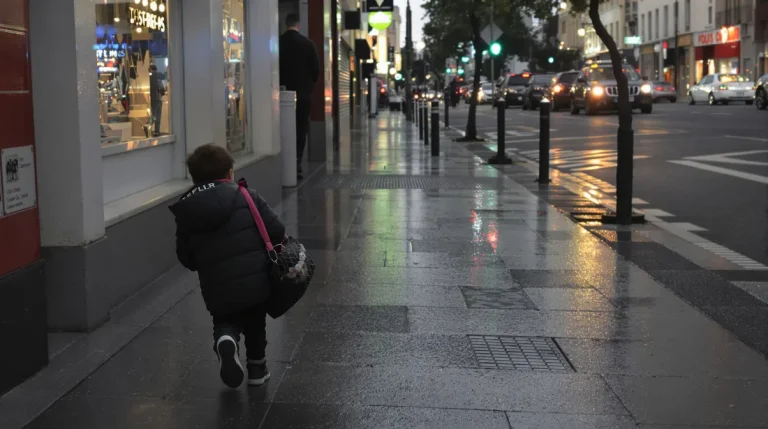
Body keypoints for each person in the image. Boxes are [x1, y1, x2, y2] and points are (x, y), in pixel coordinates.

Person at [169, 144, 285, 389]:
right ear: (230, 173)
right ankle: (257, 369)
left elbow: (185, 256)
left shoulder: (186, 209)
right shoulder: (247, 195)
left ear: (195, 178)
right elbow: (276, 230)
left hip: (216, 287)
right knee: (255, 324)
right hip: (255, 281)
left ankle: (226, 338)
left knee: (224, 319)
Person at [279, 13, 319, 180]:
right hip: (302, 96)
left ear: (285, 23)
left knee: (281, 129)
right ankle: (296, 164)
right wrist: (307, 87)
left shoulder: (278, 42)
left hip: (280, 95)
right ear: (298, 25)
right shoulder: (308, 44)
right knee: (300, 129)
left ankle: (281, 163)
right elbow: (315, 70)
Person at [149, 64, 166, 137]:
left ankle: (148, 125)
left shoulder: (149, 77)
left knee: (153, 114)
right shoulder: (158, 77)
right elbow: (162, 89)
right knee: (157, 115)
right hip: (158, 99)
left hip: (152, 99)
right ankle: (156, 131)